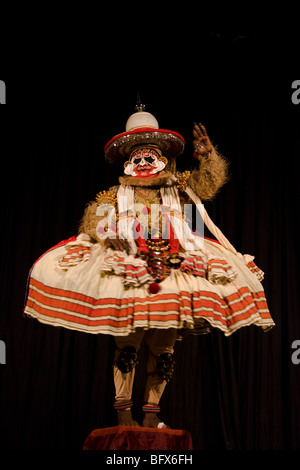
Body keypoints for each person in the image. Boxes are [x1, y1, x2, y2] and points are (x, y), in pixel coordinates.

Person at [24, 101, 275, 429]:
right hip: (131, 269)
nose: (143, 162)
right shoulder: (114, 194)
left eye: (149, 156)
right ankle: (124, 412)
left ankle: (152, 413)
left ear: (162, 161)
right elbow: (93, 221)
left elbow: (209, 184)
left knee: (164, 344)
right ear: (128, 164)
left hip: (173, 266)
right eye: (136, 157)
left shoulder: (177, 188)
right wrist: (105, 233)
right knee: (128, 342)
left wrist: (208, 155)